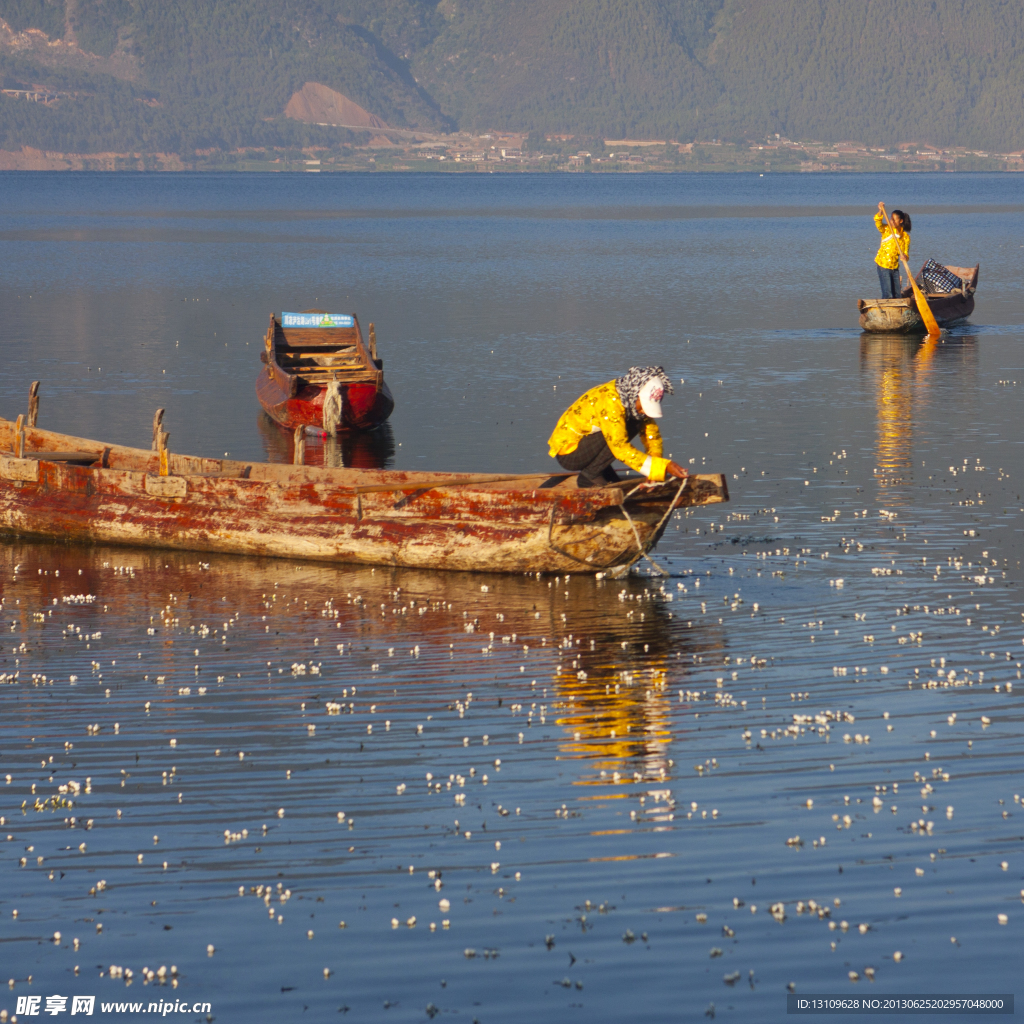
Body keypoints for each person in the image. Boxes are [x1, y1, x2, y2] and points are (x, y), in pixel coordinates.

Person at [548, 366, 688, 488]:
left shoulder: (631, 402)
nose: (644, 411)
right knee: (626, 426)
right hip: (570, 453)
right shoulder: (611, 401)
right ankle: (590, 476)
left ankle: (598, 470)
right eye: (644, 407)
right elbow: (618, 446)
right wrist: (662, 466)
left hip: (589, 447)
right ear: (636, 395)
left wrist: (656, 471)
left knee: (633, 421)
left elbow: (651, 435)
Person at [874, 202, 911, 298]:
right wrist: (880, 211)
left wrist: (904, 256)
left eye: (894, 220)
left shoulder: (905, 237)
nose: (892, 222)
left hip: (894, 267)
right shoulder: (886, 229)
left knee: (897, 294)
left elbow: (905, 253)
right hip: (883, 264)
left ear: (901, 221)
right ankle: (886, 310)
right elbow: (878, 223)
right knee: (888, 294)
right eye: (891, 219)